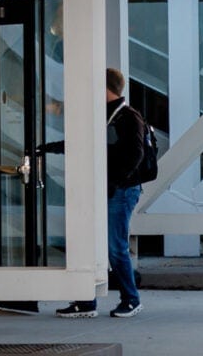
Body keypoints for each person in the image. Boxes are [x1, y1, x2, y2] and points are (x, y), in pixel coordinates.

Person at [54, 69, 149, 319]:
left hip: (121, 190)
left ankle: (131, 299)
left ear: (105, 88)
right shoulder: (105, 115)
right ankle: (86, 302)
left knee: (115, 246)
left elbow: (135, 154)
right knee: (89, 243)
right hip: (105, 188)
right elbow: (87, 145)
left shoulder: (128, 117)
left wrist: (116, 182)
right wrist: (51, 148)